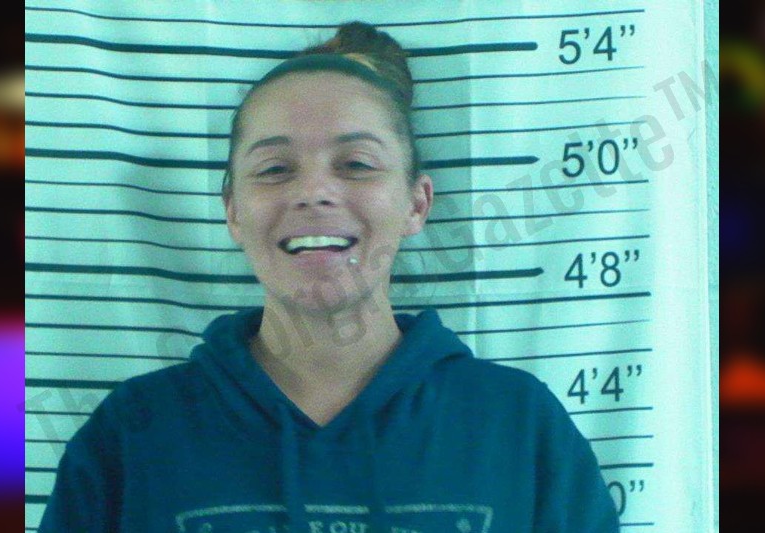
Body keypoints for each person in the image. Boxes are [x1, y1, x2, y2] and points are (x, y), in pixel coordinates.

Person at [38, 22, 619, 532]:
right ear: (233, 211)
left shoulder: (519, 425)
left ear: (417, 204)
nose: (314, 191)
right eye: (275, 168)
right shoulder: (133, 433)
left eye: (356, 164)